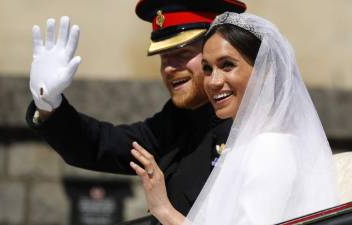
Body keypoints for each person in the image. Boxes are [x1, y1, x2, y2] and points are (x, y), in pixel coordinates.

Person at [25, 0, 247, 223]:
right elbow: (103, 145)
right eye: (163, 57)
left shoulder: (250, 126)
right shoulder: (178, 119)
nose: (169, 67)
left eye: (182, 53)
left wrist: (164, 210)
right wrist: (49, 104)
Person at [130, 12, 338, 225]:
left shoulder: (270, 147)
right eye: (208, 69)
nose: (213, 82)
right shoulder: (246, 143)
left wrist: (164, 210)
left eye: (227, 65)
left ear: (265, 70)